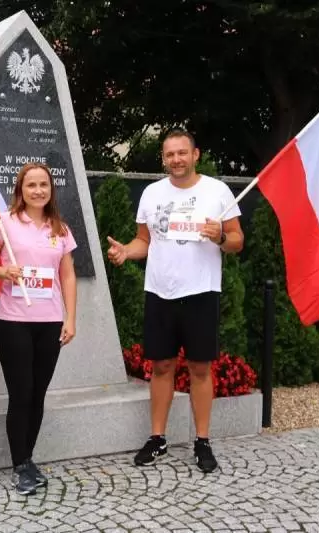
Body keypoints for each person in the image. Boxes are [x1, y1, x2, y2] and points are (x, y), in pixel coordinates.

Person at [106, 129, 244, 473]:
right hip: (160, 292)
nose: (176, 159)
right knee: (161, 367)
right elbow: (144, 241)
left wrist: (221, 236)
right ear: (164, 158)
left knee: (200, 369)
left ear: (195, 154)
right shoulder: (152, 193)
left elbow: (237, 240)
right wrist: (126, 252)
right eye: (170, 154)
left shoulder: (217, 191)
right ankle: (158, 438)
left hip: (201, 293)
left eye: (182, 153)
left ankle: (202, 441)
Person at [0, 163, 77, 495]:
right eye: (31, 185)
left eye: (43, 185)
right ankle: (20, 464)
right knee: (21, 393)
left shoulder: (60, 229)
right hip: (14, 322)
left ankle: (28, 458)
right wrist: (3, 271)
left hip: (49, 322)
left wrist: (70, 318)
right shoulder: (5, 224)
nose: (38, 190)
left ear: (51, 189)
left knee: (38, 394)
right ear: (20, 190)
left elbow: (68, 275)